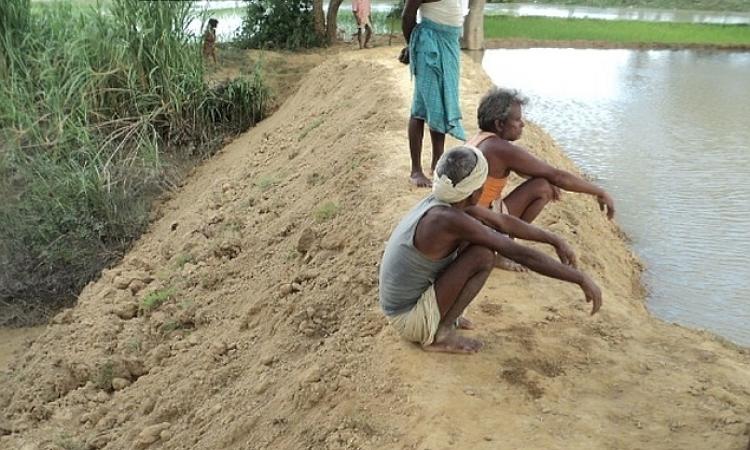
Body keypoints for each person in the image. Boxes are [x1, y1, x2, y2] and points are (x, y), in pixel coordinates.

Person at [379, 145, 603, 354]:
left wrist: (554, 239)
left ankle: (447, 316)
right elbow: (519, 253)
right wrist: (579, 278)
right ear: (475, 191)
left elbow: (502, 222)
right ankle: (441, 333)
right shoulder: (448, 218)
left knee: (480, 245)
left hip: (406, 305)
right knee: (483, 254)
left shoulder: (448, 201)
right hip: (408, 318)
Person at [469, 87, 616, 225]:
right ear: (499, 124)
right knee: (543, 188)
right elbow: (558, 177)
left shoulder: (480, 140)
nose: (522, 124)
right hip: (478, 221)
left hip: (467, 216)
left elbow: (532, 171)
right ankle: (503, 242)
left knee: (544, 181)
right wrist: (600, 191)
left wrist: (550, 178)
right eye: (517, 120)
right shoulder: (501, 149)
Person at [399, 0, 467, 188]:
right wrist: (412, 47)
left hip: (449, 43)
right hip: (430, 45)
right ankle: (416, 170)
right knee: (422, 107)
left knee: (441, 104)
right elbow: (407, 16)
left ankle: (437, 163)